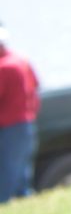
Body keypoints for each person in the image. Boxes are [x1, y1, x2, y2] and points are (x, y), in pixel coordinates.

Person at [0, 24, 40, 203]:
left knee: (7, 170)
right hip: (26, 123)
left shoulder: (5, 67)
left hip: (9, 125)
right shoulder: (21, 60)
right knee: (21, 169)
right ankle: (24, 201)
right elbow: (36, 86)